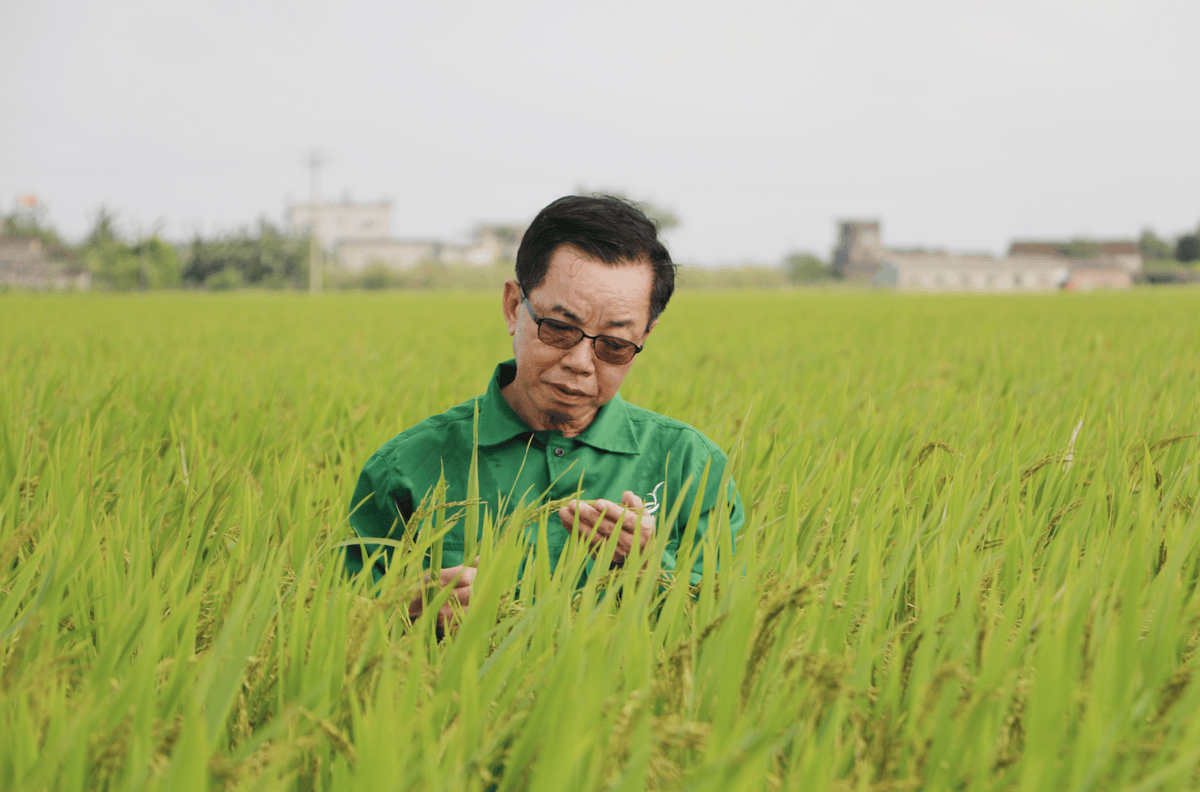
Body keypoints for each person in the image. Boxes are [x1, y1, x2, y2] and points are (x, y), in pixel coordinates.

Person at [345, 195, 743, 624]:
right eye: (558, 328)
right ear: (514, 307)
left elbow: (726, 634)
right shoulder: (405, 468)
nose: (579, 361)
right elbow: (334, 632)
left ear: (645, 335)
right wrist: (402, 615)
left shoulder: (691, 468)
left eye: (614, 345)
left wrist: (653, 570)